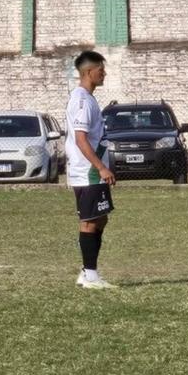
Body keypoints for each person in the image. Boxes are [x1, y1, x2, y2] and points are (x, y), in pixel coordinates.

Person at [66, 50, 116, 290]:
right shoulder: (83, 101)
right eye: (100, 70)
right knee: (89, 222)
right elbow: (81, 139)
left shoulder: (87, 98)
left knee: (100, 218)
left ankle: (87, 271)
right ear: (88, 72)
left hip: (93, 173)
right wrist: (101, 167)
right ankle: (90, 276)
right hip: (88, 173)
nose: (104, 73)